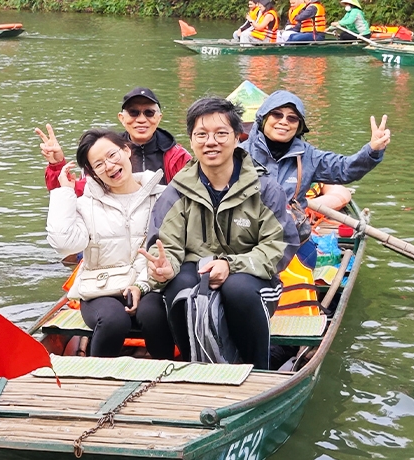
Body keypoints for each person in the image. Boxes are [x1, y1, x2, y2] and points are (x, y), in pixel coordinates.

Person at [141, 97, 299, 370]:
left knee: (236, 288)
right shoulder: (177, 191)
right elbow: (165, 245)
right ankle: (194, 368)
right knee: (178, 286)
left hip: (252, 278)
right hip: (196, 268)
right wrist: (164, 267)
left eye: (220, 133)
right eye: (201, 134)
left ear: (238, 137)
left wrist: (231, 265)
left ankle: (258, 369)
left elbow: (282, 244)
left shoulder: (263, 188)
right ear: (191, 140)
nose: (210, 142)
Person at [47, 129, 173, 359]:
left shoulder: (163, 197)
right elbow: (64, 244)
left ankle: (165, 374)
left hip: (148, 285)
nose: (109, 166)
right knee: (113, 320)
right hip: (100, 289)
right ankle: (96, 378)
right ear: (92, 172)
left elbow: (170, 249)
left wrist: (143, 284)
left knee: (154, 314)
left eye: (112, 155)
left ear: (126, 150)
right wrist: (64, 192)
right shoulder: (87, 204)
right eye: (98, 164)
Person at [243, 90, 389, 212]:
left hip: (290, 234)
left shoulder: (308, 156)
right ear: (264, 119)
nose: (284, 121)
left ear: (299, 126)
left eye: (292, 118)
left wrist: (373, 150)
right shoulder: (238, 152)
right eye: (277, 114)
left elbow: (345, 169)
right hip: (245, 236)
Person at [39, 87, 192, 197]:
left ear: (159, 118)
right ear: (121, 118)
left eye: (149, 113)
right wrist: (57, 165)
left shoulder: (178, 157)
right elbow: (73, 192)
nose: (141, 119)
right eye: (133, 112)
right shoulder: (106, 154)